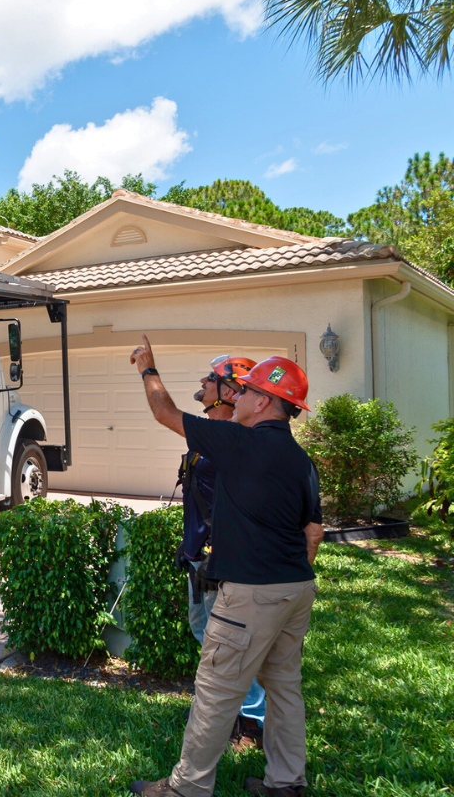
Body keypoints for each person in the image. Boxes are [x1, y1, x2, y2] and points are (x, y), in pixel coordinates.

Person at [128, 336, 325, 797]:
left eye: (245, 391)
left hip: (250, 594)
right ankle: (285, 783)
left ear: (263, 401)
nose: (236, 397)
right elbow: (312, 533)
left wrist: (147, 369)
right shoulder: (302, 461)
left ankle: (186, 789)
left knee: (215, 692)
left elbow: (165, 412)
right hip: (295, 589)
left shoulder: (237, 443)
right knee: (285, 690)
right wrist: (284, 575)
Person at [177, 355, 267, 747]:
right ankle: (229, 710)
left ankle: (251, 721)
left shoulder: (233, 441)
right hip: (200, 556)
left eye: (210, 378)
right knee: (205, 632)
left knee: (231, 643)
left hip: (221, 559)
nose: (201, 380)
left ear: (228, 393)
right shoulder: (215, 437)